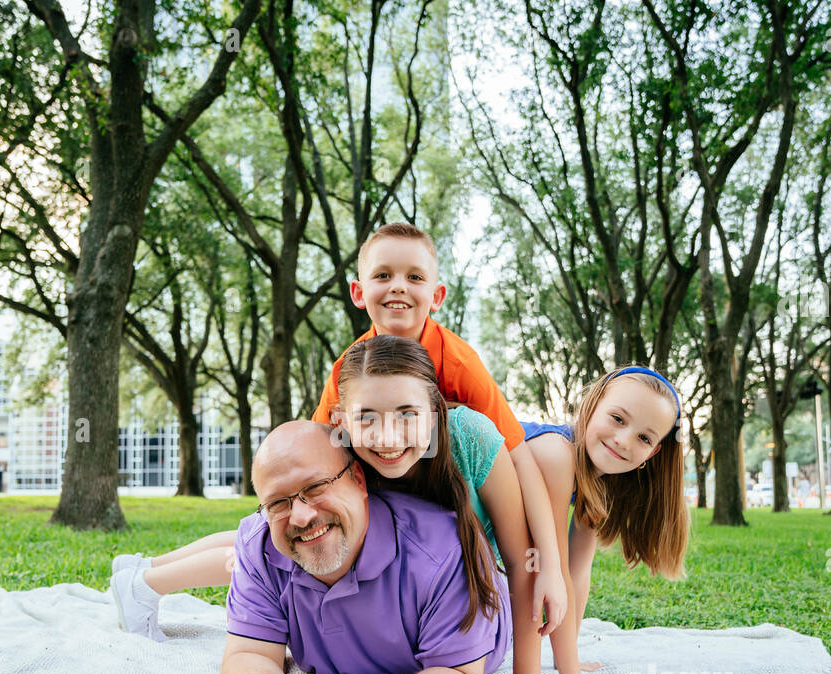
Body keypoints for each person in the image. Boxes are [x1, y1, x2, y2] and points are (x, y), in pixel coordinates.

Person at [110, 222, 567, 637]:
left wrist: (547, 561)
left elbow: (517, 452)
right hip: (373, 478)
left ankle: (142, 574)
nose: (398, 288)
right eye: (383, 275)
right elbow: (318, 442)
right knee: (269, 541)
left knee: (280, 539)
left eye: (414, 277)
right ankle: (147, 576)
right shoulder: (353, 368)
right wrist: (300, 501)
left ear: (438, 294)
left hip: (425, 473)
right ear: (358, 291)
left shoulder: (458, 362)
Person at [333, 334, 616, 674]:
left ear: (434, 413)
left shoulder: (471, 438)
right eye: (367, 418)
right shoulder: (341, 457)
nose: (388, 439)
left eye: (407, 414)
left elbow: (518, 559)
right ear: (341, 422)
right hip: (389, 618)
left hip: (470, 606)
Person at [219, 420, 512, 674]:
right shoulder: (258, 545)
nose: (300, 516)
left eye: (315, 487)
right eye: (278, 503)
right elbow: (247, 653)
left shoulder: (446, 549)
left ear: (358, 479)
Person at [492, 366, 691, 674]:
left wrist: (567, 658)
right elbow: (541, 564)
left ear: (653, 453)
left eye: (644, 438)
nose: (623, 440)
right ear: (592, 404)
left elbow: (577, 572)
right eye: (617, 418)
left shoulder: (600, 480)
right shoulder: (556, 454)